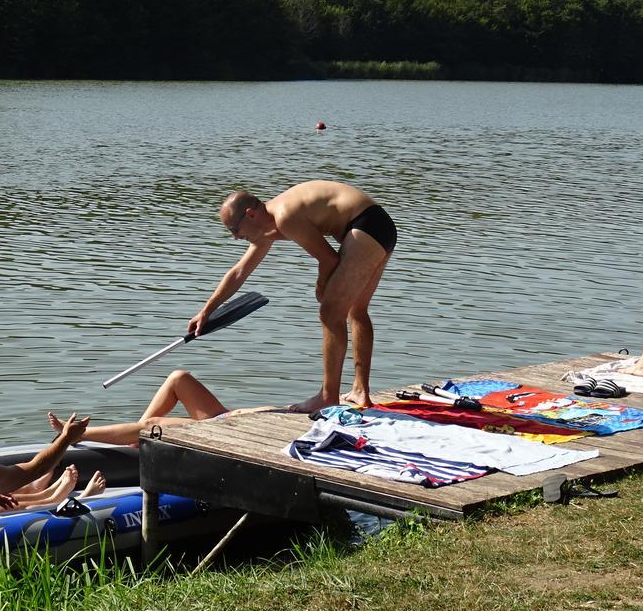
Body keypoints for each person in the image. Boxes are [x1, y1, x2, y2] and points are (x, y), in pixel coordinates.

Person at [189, 181, 397, 412]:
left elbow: (329, 259)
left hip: (365, 225)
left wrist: (321, 286)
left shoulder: (285, 216)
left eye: (234, 230)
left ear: (250, 214)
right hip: (379, 226)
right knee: (356, 310)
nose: (235, 238)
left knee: (330, 311)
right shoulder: (266, 228)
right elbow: (238, 273)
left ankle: (328, 397)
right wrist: (206, 311)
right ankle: (360, 390)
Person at [47, 368, 272, 448]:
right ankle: (136, 436)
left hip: (228, 431)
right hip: (228, 418)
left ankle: (76, 435)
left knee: (152, 424)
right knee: (178, 378)